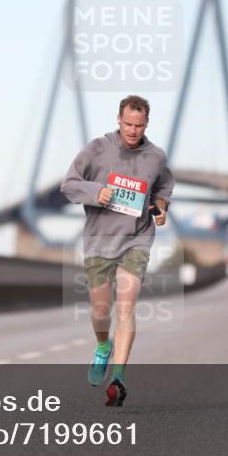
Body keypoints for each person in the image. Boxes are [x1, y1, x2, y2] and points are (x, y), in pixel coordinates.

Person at [60, 95, 174, 406]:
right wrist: (96, 191)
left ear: (146, 124)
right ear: (119, 120)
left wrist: (160, 208)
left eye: (139, 125)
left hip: (136, 239)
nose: (133, 131)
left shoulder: (156, 157)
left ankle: (118, 378)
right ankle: (102, 347)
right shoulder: (97, 149)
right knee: (101, 311)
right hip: (99, 240)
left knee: (126, 306)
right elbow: (69, 184)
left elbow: (163, 188)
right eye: (128, 124)